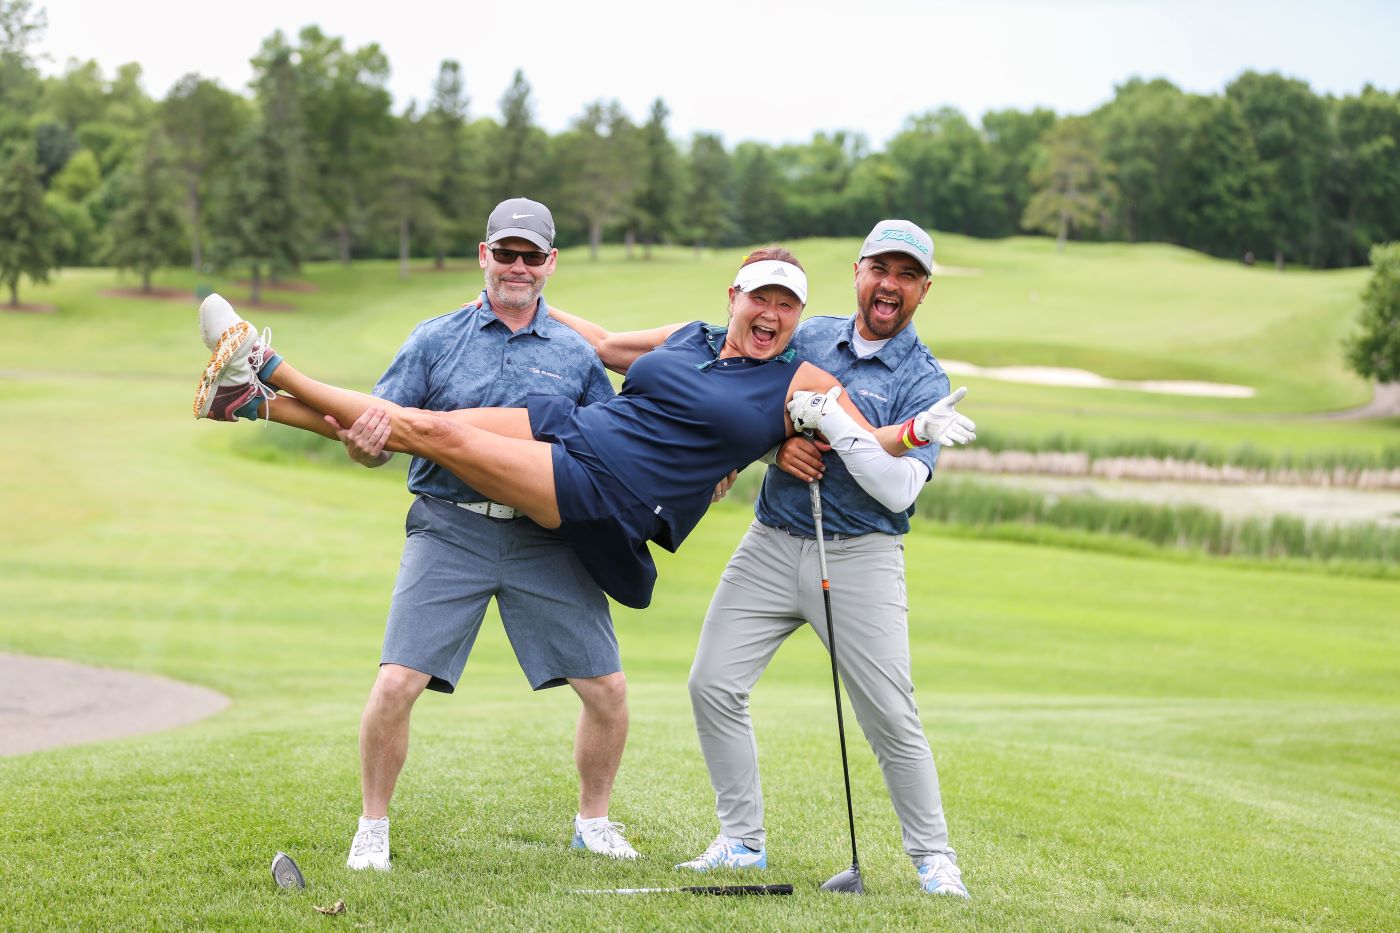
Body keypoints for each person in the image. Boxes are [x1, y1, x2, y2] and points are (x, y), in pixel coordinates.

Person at [196, 198, 640, 871]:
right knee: (397, 682)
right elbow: (372, 436)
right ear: (484, 255)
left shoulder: (577, 356)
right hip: (449, 529)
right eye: (506, 253)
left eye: (530, 256)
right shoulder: (434, 339)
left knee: (607, 690)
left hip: (545, 540)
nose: (517, 267)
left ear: (550, 263)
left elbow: (608, 451)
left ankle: (595, 822)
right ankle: (372, 828)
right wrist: (365, 449)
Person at [681, 221, 973, 897]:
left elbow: (897, 488)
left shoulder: (924, 378)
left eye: (907, 275)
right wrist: (772, 447)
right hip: (770, 541)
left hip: (862, 556)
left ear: (924, 289)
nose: (890, 285)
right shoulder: (806, 338)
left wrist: (835, 425)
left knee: (890, 716)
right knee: (712, 683)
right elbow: (741, 404)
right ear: (857, 272)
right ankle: (742, 841)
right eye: (880, 269)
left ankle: (934, 859)